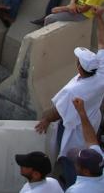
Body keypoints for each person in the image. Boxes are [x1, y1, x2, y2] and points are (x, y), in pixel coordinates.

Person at [36, 14, 104, 161]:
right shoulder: (100, 73)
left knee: (72, 157)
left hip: (77, 129)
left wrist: (46, 119)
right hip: (93, 121)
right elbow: (102, 42)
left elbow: (58, 111)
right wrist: (99, 18)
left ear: (80, 68)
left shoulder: (73, 91)